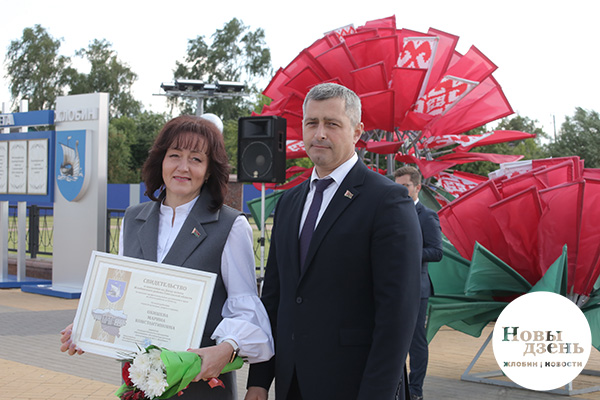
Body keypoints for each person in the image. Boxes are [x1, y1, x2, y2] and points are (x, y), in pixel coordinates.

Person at [60, 115, 274, 400]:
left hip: (201, 386)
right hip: (139, 383)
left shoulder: (230, 226)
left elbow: (245, 307)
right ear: (161, 161)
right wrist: (88, 326)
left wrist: (227, 348)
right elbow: (123, 295)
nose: (183, 167)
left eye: (196, 159)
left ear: (209, 170)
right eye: (175, 155)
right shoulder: (133, 219)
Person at [245, 83, 423, 400]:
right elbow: (275, 297)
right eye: (311, 123)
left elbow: (397, 316)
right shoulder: (288, 202)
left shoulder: (387, 201)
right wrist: (258, 380)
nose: (319, 134)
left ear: (357, 131)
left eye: (332, 124)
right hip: (291, 384)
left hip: (354, 386)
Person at [394, 166, 443, 400]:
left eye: (405, 186)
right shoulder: (390, 213)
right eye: (397, 187)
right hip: (392, 287)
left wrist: (406, 253)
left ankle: (415, 391)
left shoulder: (427, 215)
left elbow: (436, 252)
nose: (401, 191)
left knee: (415, 341)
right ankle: (397, 388)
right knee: (393, 339)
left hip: (416, 288)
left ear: (418, 187)